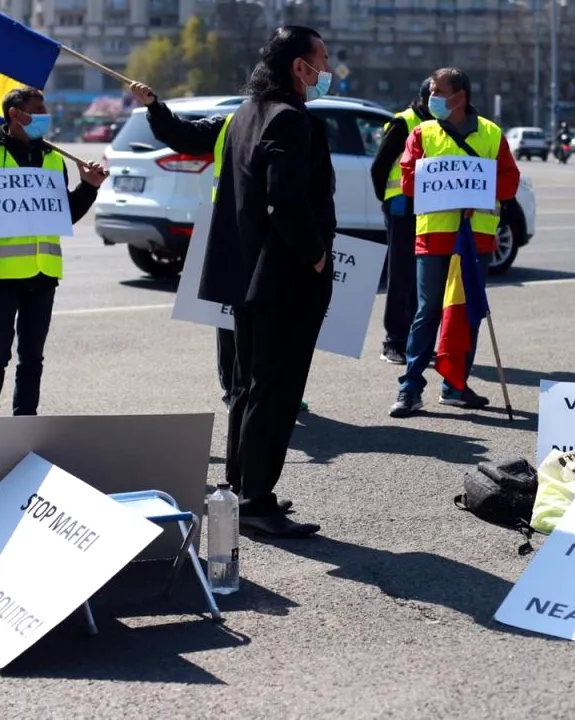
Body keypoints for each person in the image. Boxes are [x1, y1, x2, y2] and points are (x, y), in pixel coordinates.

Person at [198, 26, 336, 538]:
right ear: (299, 68)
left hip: (247, 277)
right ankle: (257, 499)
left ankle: (239, 490)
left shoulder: (245, 114)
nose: (328, 69)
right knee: (274, 391)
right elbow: (285, 201)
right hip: (283, 280)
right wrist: (316, 254)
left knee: (248, 389)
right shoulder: (288, 118)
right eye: (322, 59)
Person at [125, 81, 312, 416]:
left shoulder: (294, 121)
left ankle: (277, 386)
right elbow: (182, 135)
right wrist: (154, 106)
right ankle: (236, 390)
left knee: (281, 319)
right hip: (236, 232)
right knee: (232, 322)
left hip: (277, 236)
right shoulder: (231, 122)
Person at [0, 86, 108, 416]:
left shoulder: (53, 159)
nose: (44, 116)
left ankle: (25, 419)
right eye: (37, 110)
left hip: (43, 274)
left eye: (44, 109)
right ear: (15, 114)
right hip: (0, 277)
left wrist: (88, 187)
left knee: (33, 355)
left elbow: (63, 213)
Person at [389, 67, 521, 419]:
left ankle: (456, 385)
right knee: (427, 313)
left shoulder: (491, 133)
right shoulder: (422, 133)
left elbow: (510, 182)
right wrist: (451, 184)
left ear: (459, 96)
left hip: (475, 239)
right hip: (434, 237)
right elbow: (408, 181)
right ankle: (409, 389)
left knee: (468, 313)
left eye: (437, 91)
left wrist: (475, 192)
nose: (430, 97)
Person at [368, 77, 432, 365]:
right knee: (401, 275)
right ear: (422, 97)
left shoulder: (442, 127)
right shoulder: (404, 122)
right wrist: (387, 198)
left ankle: (417, 341)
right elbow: (380, 165)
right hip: (402, 208)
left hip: (431, 211)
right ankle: (394, 341)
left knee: (425, 279)